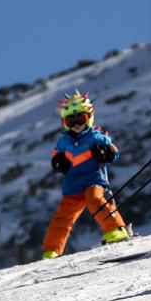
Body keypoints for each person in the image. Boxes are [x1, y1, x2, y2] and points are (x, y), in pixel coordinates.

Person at [42, 91, 129, 259]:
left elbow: (114, 153)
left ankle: (115, 230)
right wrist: (58, 162)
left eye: (80, 119)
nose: (76, 125)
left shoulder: (96, 137)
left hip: (94, 180)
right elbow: (56, 157)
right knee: (63, 216)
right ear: (65, 123)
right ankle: (52, 249)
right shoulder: (63, 142)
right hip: (73, 185)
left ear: (89, 117)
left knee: (96, 200)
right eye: (71, 121)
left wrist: (107, 153)